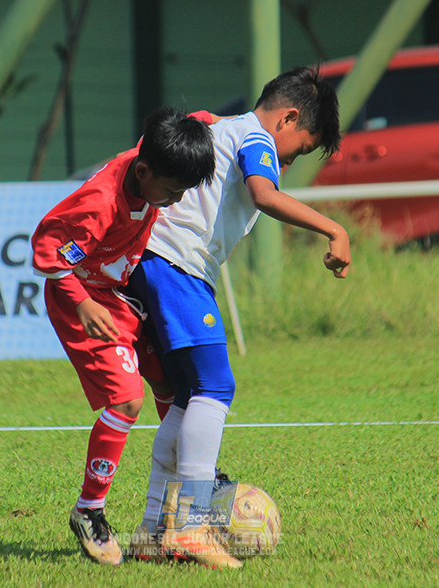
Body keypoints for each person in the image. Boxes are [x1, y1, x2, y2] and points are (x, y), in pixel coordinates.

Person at [125, 66, 350, 569]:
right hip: (178, 264)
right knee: (215, 388)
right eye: (295, 152)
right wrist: (334, 229)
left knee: (187, 398)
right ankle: (190, 527)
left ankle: (151, 530)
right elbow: (264, 195)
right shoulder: (255, 135)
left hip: (158, 262)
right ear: (288, 118)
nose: (285, 163)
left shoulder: (219, 127)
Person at [31, 106, 216, 566]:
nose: (173, 201)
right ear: (145, 171)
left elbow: (196, 119)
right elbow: (46, 251)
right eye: (172, 192)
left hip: (116, 293)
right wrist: (83, 302)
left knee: (174, 389)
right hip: (84, 299)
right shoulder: (99, 205)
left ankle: (177, 502)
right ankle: (89, 510)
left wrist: (217, 123)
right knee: (127, 400)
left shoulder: (149, 154)